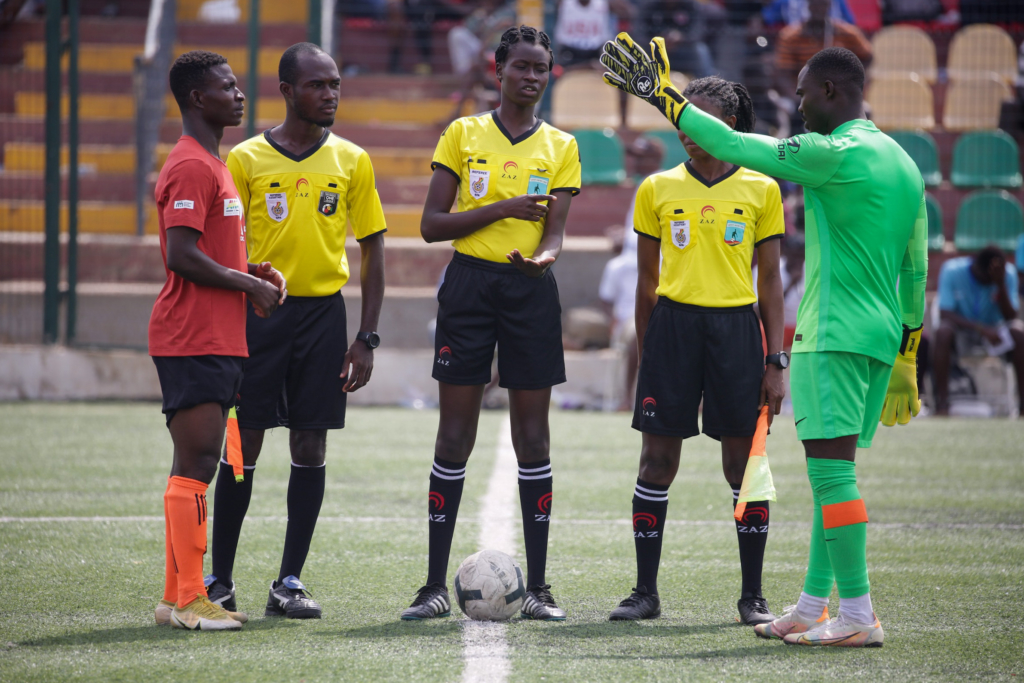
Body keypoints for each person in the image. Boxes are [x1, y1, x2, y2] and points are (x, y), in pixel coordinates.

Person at [602, 40, 927, 647]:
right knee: (835, 475)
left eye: (803, 92)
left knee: (830, 479)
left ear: (831, 91)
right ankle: (808, 606)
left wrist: (662, 96)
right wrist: (908, 353)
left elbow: (732, 145)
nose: (799, 105)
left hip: (830, 334)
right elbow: (917, 264)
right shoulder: (905, 162)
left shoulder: (830, 152)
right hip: (880, 340)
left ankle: (856, 614)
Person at [400, 25, 581, 621]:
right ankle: (430, 587)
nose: (532, 76)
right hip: (470, 288)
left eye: (541, 68)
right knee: (454, 437)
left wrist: (543, 259)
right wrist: (501, 210)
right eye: (522, 66)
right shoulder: (463, 133)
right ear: (497, 70)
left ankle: (541, 590)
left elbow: (554, 235)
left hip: (530, 291)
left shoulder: (561, 146)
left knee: (534, 438)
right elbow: (431, 225)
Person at [210, 42, 387, 620]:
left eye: (335, 83)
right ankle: (220, 579)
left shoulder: (353, 161)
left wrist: (366, 337)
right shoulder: (245, 159)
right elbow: (223, 247)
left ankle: (289, 582)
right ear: (286, 91)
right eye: (317, 85)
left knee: (311, 443)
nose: (330, 93)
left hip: (323, 317)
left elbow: (373, 251)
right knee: (243, 444)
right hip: (259, 315)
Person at [605, 77, 786, 625]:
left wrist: (776, 361)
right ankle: (644, 593)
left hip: (736, 331)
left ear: (729, 127)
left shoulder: (761, 189)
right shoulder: (656, 189)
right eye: (682, 119)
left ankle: (752, 597)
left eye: (700, 120)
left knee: (743, 466)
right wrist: (647, 354)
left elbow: (772, 283)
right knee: (657, 462)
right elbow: (644, 285)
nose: (688, 131)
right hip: (672, 331)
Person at [150, 50, 286, 631]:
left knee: (198, 462)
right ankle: (188, 599)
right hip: (192, 336)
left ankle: (173, 597)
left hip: (220, 336)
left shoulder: (216, 163)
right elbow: (180, 254)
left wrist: (249, 271)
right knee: (199, 464)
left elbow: (207, 249)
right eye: (227, 88)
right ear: (197, 99)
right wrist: (248, 287)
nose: (239, 95)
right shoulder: (190, 165)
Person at [599, 136, 666, 411]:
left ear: (656, 159)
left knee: (641, 337)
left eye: (642, 156)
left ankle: (631, 399)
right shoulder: (645, 184)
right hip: (635, 283)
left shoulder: (661, 184)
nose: (635, 161)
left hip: (656, 280)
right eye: (634, 155)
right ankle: (630, 399)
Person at [932, 246, 1024, 416]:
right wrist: (981, 329)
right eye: (985, 279)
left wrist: (1000, 284)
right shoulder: (952, 270)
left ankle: (1022, 407)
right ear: (975, 267)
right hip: (962, 331)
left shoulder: (1007, 274)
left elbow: (1011, 315)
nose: (987, 283)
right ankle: (942, 405)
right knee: (942, 332)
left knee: (1019, 333)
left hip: (996, 333)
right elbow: (945, 313)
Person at [774, 0, 871, 129]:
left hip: (839, 95)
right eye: (815, 3)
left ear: (829, 5)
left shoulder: (846, 33)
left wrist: (851, 82)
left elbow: (868, 56)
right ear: (808, 5)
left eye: (823, 3)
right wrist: (799, 97)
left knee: (866, 111)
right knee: (792, 112)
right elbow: (783, 73)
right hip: (802, 95)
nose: (819, 7)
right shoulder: (791, 36)